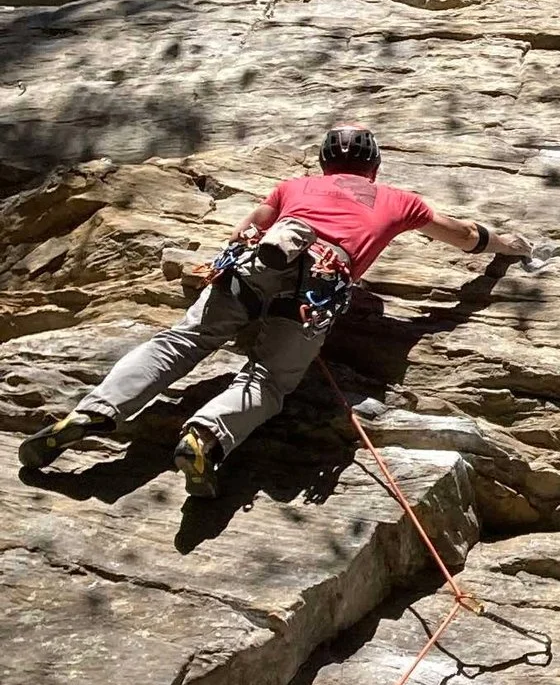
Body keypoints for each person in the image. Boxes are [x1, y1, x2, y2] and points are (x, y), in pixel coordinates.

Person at [24, 126, 527, 498]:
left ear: (325, 165)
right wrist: (508, 245)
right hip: (317, 290)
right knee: (268, 380)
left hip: (254, 268)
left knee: (180, 343)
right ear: (373, 167)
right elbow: (463, 235)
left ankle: (94, 410)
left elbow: (246, 231)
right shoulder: (398, 201)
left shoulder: (294, 187)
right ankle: (204, 436)